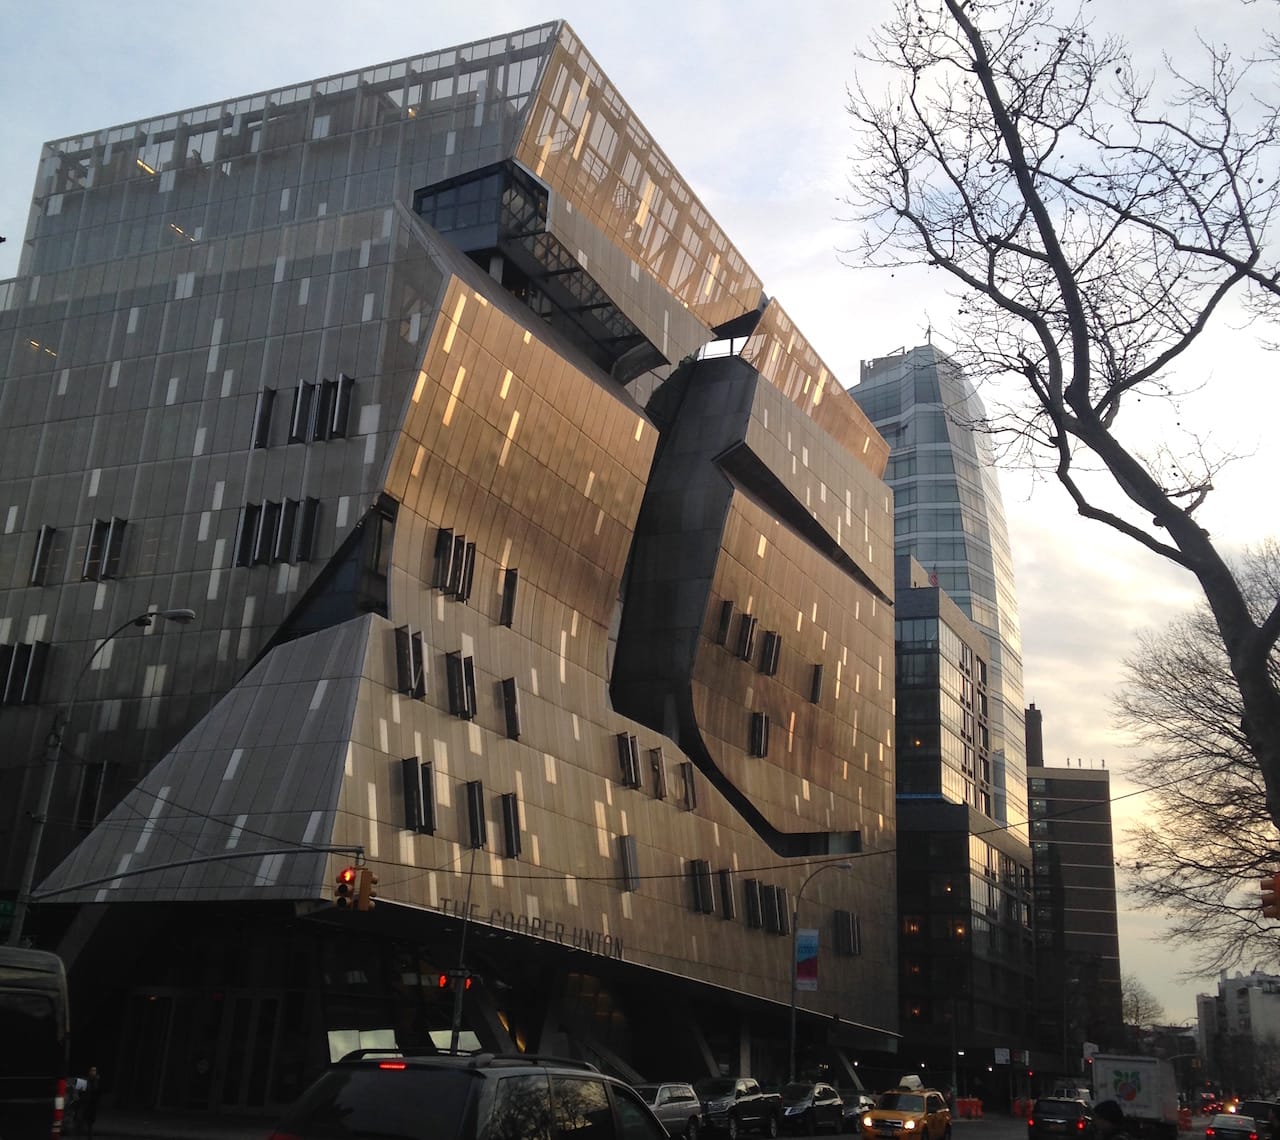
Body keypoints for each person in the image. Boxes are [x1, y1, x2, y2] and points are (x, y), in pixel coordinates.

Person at [80, 1065, 102, 1140]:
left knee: (90, 1124)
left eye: (95, 1070)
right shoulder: (84, 1080)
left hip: (92, 1106)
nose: (93, 1072)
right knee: (80, 1122)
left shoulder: (97, 1081)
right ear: (88, 1071)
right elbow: (79, 1092)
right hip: (84, 1104)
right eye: (92, 1070)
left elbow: (98, 1093)